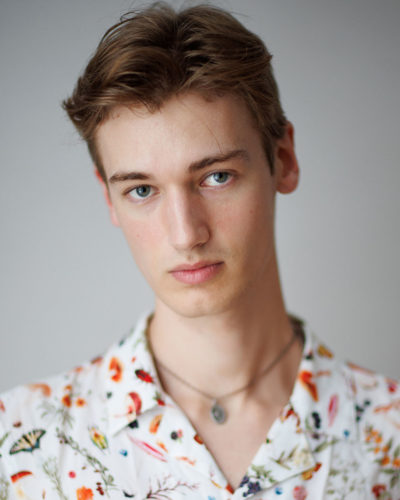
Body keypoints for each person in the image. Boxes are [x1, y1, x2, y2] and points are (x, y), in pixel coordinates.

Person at [0, 3, 399, 499]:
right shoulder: (19, 446)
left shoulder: (389, 436)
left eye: (217, 177)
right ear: (109, 199)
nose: (186, 234)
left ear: (284, 160)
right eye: (142, 190)